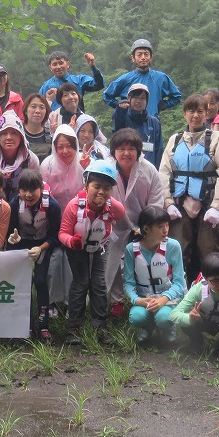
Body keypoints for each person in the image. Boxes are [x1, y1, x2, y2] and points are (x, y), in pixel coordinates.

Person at [159, 95, 219, 279]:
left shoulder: (217, 139)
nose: (195, 115)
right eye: (191, 111)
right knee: (177, 251)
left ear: (206, 114)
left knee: (208, 252)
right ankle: (177, 293)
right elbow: (164, 172)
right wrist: (168, 203)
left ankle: (210, 293)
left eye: (200, 111)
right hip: (180, 204)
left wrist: (217, 207)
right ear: (185, 114)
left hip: (208, 204)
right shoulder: (175, 140)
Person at [58, 160, 126, 343]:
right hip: (77, 249)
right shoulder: (74, 206)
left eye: (107, 188)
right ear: (86, 185)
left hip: (99, 248)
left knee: (99, 284)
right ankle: (74, 327)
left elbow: (121, 215)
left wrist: (109, 208)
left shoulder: (113, 207)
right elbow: (62, 233)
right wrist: (72, 241)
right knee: (80, 284)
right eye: (96, 186)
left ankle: (100, 326)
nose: (101, 192)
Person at [103, 128, 165, 315]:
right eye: (121, 148)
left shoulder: (149, 170)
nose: (126, 153)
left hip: (143, 224)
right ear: (114, 151)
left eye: (131, 149)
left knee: (146, 259)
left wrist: (146, 229)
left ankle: (149, 298)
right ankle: (116, 300)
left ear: (139, 151)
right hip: (113, 224)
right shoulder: (106, 168)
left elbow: (156, 201)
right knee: (111, 258)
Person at [6, 169, 61, 340]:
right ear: (18, 190)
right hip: (22, 245)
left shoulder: (52, 206)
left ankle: (44, 324)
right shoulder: (15, 204)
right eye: (24, 190)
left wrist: (41, 248)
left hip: (42, 245)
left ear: (41, 188)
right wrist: (13, 239)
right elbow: (10, 231)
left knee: (40, 281)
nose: (28, 195)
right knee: (23, 283)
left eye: (33, 190)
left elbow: (55, 236)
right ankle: (26, 325)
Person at [123, 205, 185, 344]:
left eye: (167, 225)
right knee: (136, 317)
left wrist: (163, 299)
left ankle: (169, 327)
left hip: (168, 299)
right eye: (160, 226)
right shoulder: (131, 250)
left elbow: (180, 283)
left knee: (164, 318)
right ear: (146, 229)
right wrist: (137, 300)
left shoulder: (173, 246)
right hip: (144, 299)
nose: (166, 230)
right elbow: (128, 283)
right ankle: (147, 327)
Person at [39, 124, 85, 312]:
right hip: (54, 221)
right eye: (60, 147)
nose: (65, 151)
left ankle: (72, 300)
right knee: (54, 260)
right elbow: (43, 195)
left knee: (74, 261)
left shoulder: (84, 162)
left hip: (79, 220)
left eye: (70, 146)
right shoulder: (47, 165)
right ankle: (51, 299)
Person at [103, 38, 182, 120]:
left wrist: (164, 105)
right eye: (139, 55)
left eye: (146, 54)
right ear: (133, 58)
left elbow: (177, 96)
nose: (143, 57)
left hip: (152, 125)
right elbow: (107, 96)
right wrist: (119, 104)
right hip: (130, 125)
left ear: (151, 57)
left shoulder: (160, 78)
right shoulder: (125, 79)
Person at [0, 111, 40, 201]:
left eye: (14, 133)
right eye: (4, 133)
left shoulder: (31, 159)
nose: (9, 137)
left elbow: (35, 188)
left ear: (21, 136)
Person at [111, 83, 162, 169]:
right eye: (135, 97)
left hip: (148, 170)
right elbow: (117, 130)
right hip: (126, 169)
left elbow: (159, 150)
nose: (138, 101)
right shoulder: (123, 117)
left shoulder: (154, 122)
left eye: (142, 98)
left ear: (147, 101)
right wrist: (120, 110)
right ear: (128, 99)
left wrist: (156, 171)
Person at [39, 51, 105, 112]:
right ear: (50, 68)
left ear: (68, 64)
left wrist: (92, 66)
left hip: (78, 121)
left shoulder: (79, 80)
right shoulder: (46, 87)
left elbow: (99, 84)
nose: (58, 67)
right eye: (55, 64)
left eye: (61, 63)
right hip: (55, 123)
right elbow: (39, 107)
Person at [22, 93, 52, 161]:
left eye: (41, 107)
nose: (37, 111)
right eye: (33, 106)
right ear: (26, 110)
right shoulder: (18, 134)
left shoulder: (51, 138)